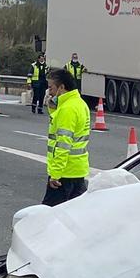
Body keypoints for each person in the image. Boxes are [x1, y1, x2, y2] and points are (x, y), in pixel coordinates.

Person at [42, 68, 91, 207]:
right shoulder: (79, 103)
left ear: (62, 87)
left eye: (51, 87)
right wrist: (53, 107)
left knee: (48, 215)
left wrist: (56, 174)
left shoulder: (67, 109)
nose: (49, 91)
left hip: (65, 173)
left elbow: (63, 143)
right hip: (77, 169)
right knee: (77, 213)